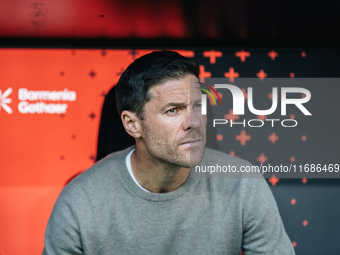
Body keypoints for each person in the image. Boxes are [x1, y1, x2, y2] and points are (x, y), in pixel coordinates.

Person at [43, 51, 295, 255]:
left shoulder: (243, 183)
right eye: (173, 110)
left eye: (198, 105)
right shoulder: (80, 200)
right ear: (133, 124)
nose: (194, 121)